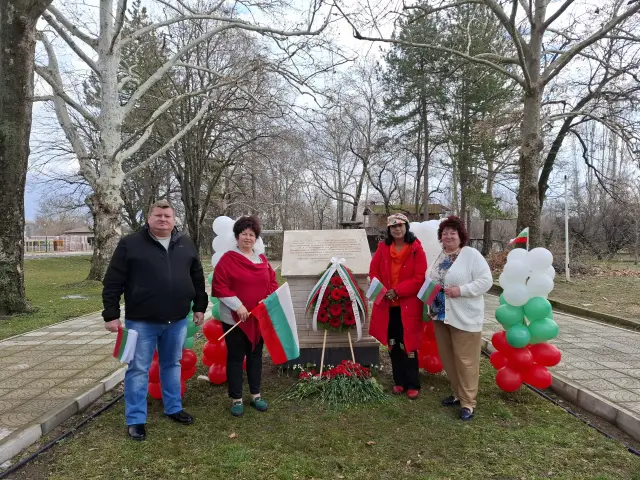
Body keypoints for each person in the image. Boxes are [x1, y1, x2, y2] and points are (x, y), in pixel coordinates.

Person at [102, 199, 207, 441]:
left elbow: (197, 277)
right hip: (142, 322)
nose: (163, 219)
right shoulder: (130, 244)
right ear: (149, 218)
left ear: (174, 219)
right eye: (158, 215)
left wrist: (200, 306)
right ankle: (136, 419)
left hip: (178, 320)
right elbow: (113, 281)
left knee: (172, 364)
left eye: (167, 216)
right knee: (138, 369)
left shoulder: (185, 243)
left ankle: (173, 408)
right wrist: (111, 314)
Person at [211, 215, 278, 417]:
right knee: (236, 357)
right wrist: (238, 306)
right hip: (235, 319)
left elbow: (272, 283)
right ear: (237, 236)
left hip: (257, 318)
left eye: (251, 234)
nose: (247, 238)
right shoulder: (227, 260)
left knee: (256, 356)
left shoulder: (263, 260)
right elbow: (219, 285)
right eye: (244, 234)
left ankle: (256, 395)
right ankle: (236, 398)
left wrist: (267, 301)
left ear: (256, 238)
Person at [428, 215, 492, 421]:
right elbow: (432, 280)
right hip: (440, 314)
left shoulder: (470, 255)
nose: (448, 236)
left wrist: (462, 290)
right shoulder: (440, 256)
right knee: (448, 357)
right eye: (445, 233)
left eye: (452, 233)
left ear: (460, 236)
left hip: (464, 315)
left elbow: (485, 281)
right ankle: (457, 393)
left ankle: (468, 402)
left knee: (466, 360)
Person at [369, 213, 427, 400]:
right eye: (393, 226)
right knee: (393, 343)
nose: (397, 229)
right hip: (388, 305)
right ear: (389, 230)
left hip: (408, 305)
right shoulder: (382, 248)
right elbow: (374, 271)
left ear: (406, 227)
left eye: (400, 225)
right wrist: (384, 290)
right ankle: (399, 381)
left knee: (408, 344)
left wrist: (398, 291)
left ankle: (412, 383)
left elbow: (419, 278)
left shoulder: (417, 249)